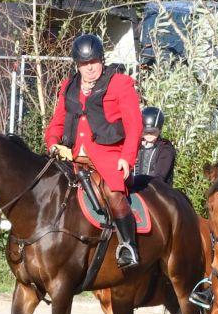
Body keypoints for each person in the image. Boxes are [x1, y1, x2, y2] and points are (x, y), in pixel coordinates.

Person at [45, 33, 143, 268]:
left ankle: (128, 246)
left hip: (108, 157)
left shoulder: (120, 83)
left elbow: (134, 125)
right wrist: (53, 143)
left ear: (101, 59)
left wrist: (127, 158)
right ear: (77, 65)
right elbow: (57, 122)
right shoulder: (68, 87)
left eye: (93, 62)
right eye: (84, 63)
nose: (89, 68)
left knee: (113, 193)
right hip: (72, 158)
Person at [134, 106, 176, 185]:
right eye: (146, 132)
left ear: (160, 130)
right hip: (134, 187)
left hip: (157, 189)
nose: (149, 135)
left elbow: (160, 177)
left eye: (153, 132)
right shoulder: (135, 146)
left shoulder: (165, 149)